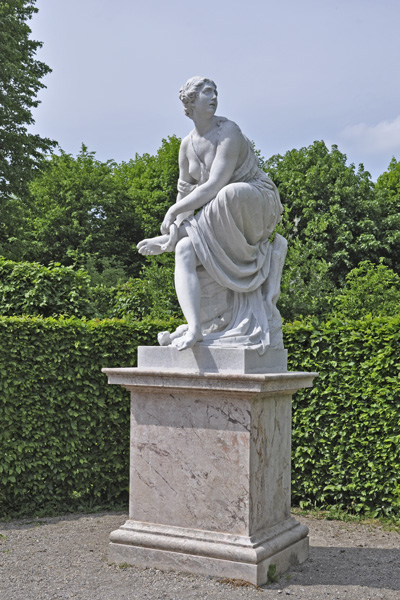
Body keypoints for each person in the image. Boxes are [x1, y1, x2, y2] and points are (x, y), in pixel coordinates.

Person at [138, 76, 286, 351]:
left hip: (255, 201)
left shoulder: (228, 131)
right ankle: (195, 328)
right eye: (207, 92)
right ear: (191, 102)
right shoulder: (186, 146)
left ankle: (172, 239)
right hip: (218, 216)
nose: (215, 97)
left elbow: (216, 184)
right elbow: (185, 194)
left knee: (228, 194)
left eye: (216, 92)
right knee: (183, 249)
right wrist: (175, 225)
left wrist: (173, 213)